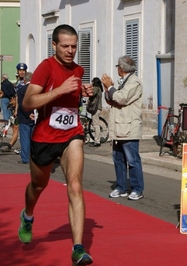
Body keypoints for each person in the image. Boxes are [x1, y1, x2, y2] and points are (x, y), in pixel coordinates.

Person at [18, 24, 93, 265]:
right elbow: (28, 103)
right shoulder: (45, 67)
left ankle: (78, 248)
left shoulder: (79, 69)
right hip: (44, 138)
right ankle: (27, 216)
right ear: (54, 45)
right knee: (38, 187)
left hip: (72, 134)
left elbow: (71, 99)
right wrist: (60, 89)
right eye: (65, 46)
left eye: (74, 46)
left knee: (74, 186)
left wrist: (82, 91)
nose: (71, 51)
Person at [101, 55, 145, 201]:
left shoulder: (134, 82)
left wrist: (111, 88)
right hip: (118, 128)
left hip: (129, 128)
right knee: (118, 159)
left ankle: (137, 189)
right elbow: (111, 99)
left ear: (121, 69)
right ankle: (121, 187)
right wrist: (108, 89)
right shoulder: (122, 82)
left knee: (132, 160)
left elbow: (121, 98)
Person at [16, 72, 35, 164]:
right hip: (36, 117)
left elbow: (21, 104)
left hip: (25, 117)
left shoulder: (21, 89)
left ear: (24, 79)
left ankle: (25, 158)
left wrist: (28, 114)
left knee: (25, 138)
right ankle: (33, 157)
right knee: (33, 138)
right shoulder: (37, 89)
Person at [13, 63, 28, 155]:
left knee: (26, 130)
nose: (22, 72)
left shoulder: (27, 82)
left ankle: (26, 150)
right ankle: (24, 149)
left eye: (23, 71)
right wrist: (16, 109)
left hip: (27, 108)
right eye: (20, 71)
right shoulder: (18, 83)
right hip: (20, 109)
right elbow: (17, 97)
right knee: (19, 129)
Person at [88, 77, 103, 147]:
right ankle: (97, 140)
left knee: (96, 125)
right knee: (96, 124)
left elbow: (91, 93)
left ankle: (97, 141)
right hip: (98, 108)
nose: (92, 83)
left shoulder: (96, 88)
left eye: (92, 81)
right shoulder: (99, 88)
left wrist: (89, 88)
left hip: (95, 108)